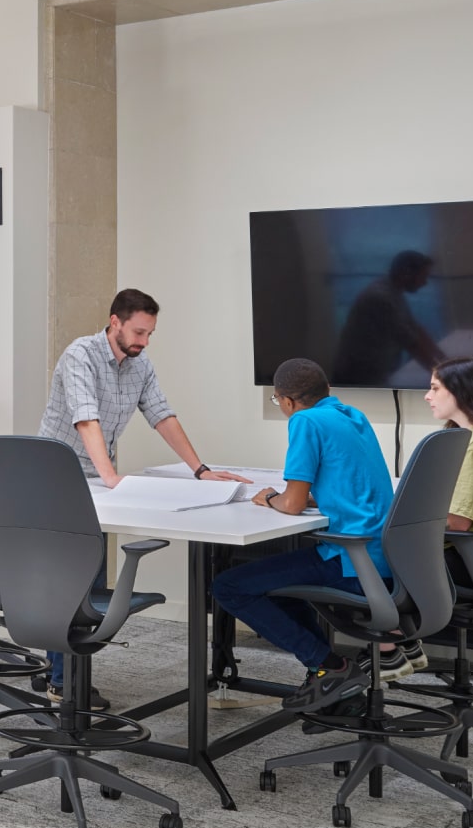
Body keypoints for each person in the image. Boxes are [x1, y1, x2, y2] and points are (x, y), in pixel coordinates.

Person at [37, 288, 248, 702]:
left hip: (95, 478)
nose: (144, 342)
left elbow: (162, 415)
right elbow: (86, 420)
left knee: (92, 573)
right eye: (138, 332)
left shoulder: (139, 363)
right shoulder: (80, 355)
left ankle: (65, 673)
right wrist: (112, 476)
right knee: (74, 574)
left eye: (150, 334)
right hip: (56, 474)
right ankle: (61, 681)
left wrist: (200, 469)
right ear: (114, 321)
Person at [211, 359, 395, 713]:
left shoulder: (305, 421)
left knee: (229, 586)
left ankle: (330, 667)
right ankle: (323, 672)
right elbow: (351, 483)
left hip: (351, 561)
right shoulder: (351, 416)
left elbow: (292, 504)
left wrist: (269, 498)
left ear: (289, 401)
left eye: (276, 400)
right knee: (276, 585)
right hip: (382, 556)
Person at [375, 355, 473, 677]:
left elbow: (458, 522)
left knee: (367, 559)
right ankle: (403, 641)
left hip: (465, 561)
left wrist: (398, 521)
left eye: (434, 388)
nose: (427, 396)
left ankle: (389, 647)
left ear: (462, 391)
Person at [331, 250, 445, 386]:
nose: (425, 282)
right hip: (356, 380)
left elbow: (416, 329)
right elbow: (412, 344)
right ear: (406, 273)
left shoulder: (393, 292)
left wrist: (446, 361)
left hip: (370, 376)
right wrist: (446, 378)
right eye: (423, 276)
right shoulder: (380, 298)